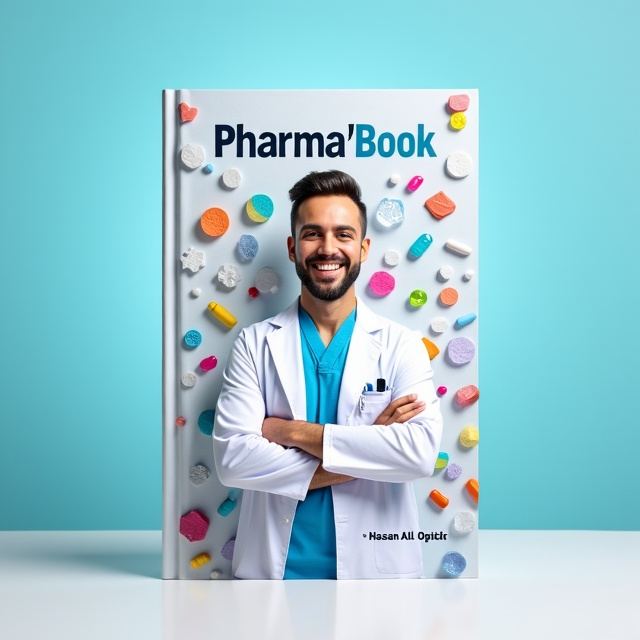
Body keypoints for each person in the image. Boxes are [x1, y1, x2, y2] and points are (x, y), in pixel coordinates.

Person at [212, 170, 443, 579]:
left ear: (364, 247)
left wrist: (288, 433)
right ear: (292, 247)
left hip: (377, 576)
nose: (328, 248)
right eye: (312, 234)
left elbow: (418, 454)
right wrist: (370, 446)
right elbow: (234, 461)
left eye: (343, 234)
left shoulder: (401, 345)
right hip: (272, 574)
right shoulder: (254, 343)